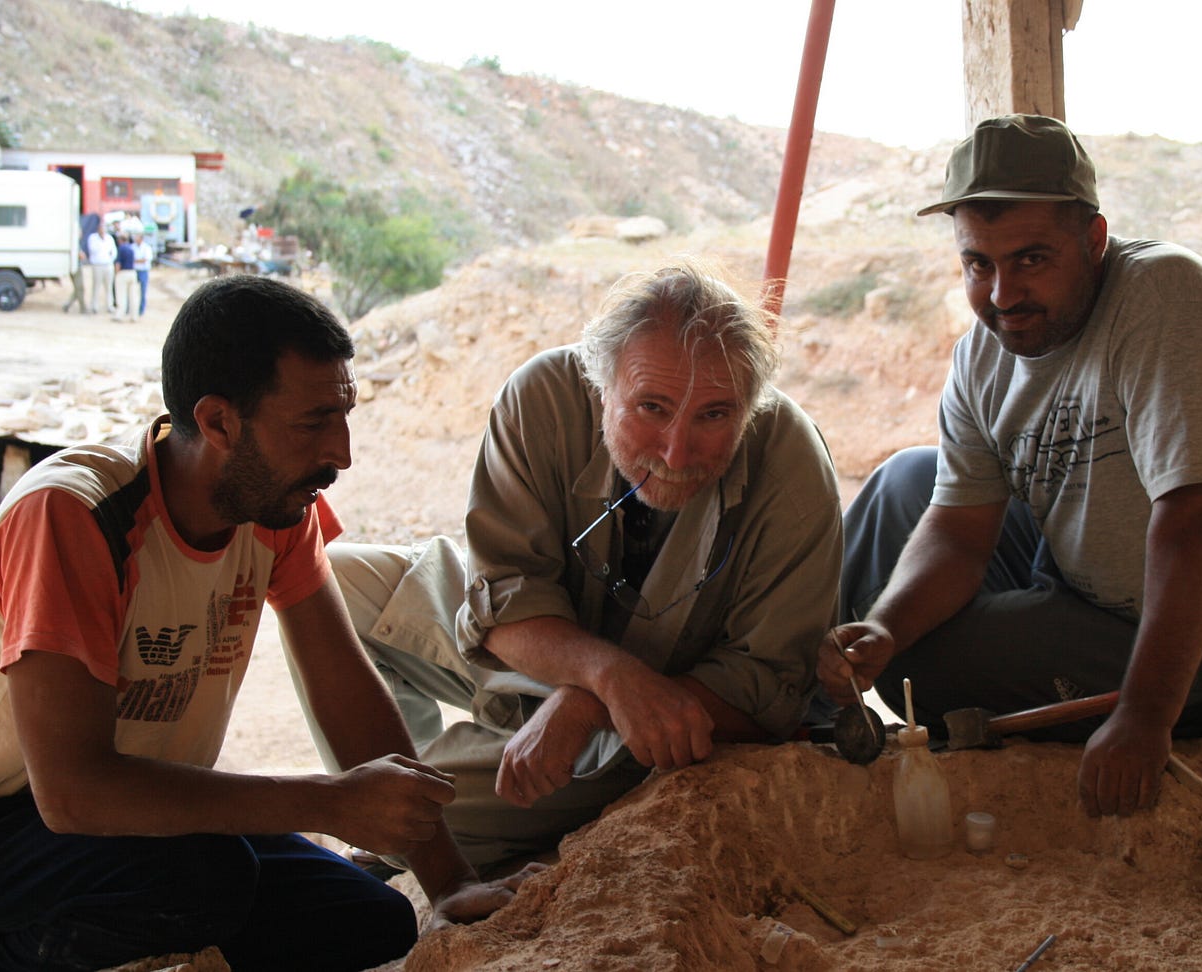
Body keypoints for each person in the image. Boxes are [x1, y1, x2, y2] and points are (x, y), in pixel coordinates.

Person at [0, 276, 539, 971]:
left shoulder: (275, 507)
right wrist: (326, 803)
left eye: (344, 415)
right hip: (4, 818)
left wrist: (449, 880)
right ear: (218, 422)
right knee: (201, 882)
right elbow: (72, 794)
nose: (343, 452)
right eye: (314, 422)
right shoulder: (74, 515)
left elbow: (344, 691)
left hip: (130, 824)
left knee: (371, 922)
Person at [819, 115, 1202, 819]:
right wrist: (886, 626)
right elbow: (959, 531)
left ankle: (981, 660)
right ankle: (820, 703)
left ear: (1094, 239)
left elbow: (1197, 519)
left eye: (1031, 259)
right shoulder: (984, 352)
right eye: (978, 264)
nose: (1002, 294)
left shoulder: (1168, 299)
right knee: (903, 486)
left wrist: (1143, 717)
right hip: (1079, 586)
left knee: (918, 670)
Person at [295, 261, 843, 868]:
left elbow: (767, 691)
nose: (676, 452)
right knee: (333, 585)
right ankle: (409, 782)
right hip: (546, 653)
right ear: (601, 386)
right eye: (652, 407)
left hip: (654, 715)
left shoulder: (790, 463)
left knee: (422, 816)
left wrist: (589, 704)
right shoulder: (542, 398)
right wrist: (604, 675)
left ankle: (424, 821)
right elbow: (504, 597)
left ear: (749, 407)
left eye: (715, 415)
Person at [86, 220, 116, 315]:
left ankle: (109, 305)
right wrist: (101, 239)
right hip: (97, 265)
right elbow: (93, 250)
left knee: (109, 286)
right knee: (96, 286)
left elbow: (113, 251)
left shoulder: (109, 238)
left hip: (108, 264)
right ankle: (94, 306)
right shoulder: (93, 238)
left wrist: (111, 258)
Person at [113, 232, 138, 322]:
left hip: (123, 273)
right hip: (132, 272)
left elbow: (118, 263)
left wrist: (116, 274)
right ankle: (134, 316)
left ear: (120, 240)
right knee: (133, 296)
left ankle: (119, 315)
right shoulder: (131, 248)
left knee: (121, 295)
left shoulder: (121, 248)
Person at [133, 228, 155, 317]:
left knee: (143, 291)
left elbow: (145, 259)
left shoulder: (146, 247)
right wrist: (139, 260)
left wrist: (136, 261)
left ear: (141, 239)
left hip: (143, 271)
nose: (135, 239)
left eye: (137, 237)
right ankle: (132, 309)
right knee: (133, 291)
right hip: (135, 270)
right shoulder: (133, 247)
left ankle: (141, 310)